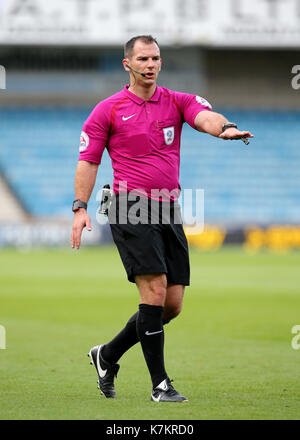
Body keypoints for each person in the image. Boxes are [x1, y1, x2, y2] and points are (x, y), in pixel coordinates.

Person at [70, 35, 254, 403]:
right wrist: (79, 208)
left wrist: (224, 128)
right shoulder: (107, 110)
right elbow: (88, 161)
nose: (151, 64)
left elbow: (205, 116)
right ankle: (160, 386)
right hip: (127, 205)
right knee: (152, 291)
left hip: (168, 207)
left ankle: (106, 355)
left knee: (170, 305)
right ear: (128, 64)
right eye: (143, 58)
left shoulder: (177, 100)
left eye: (155, 58)